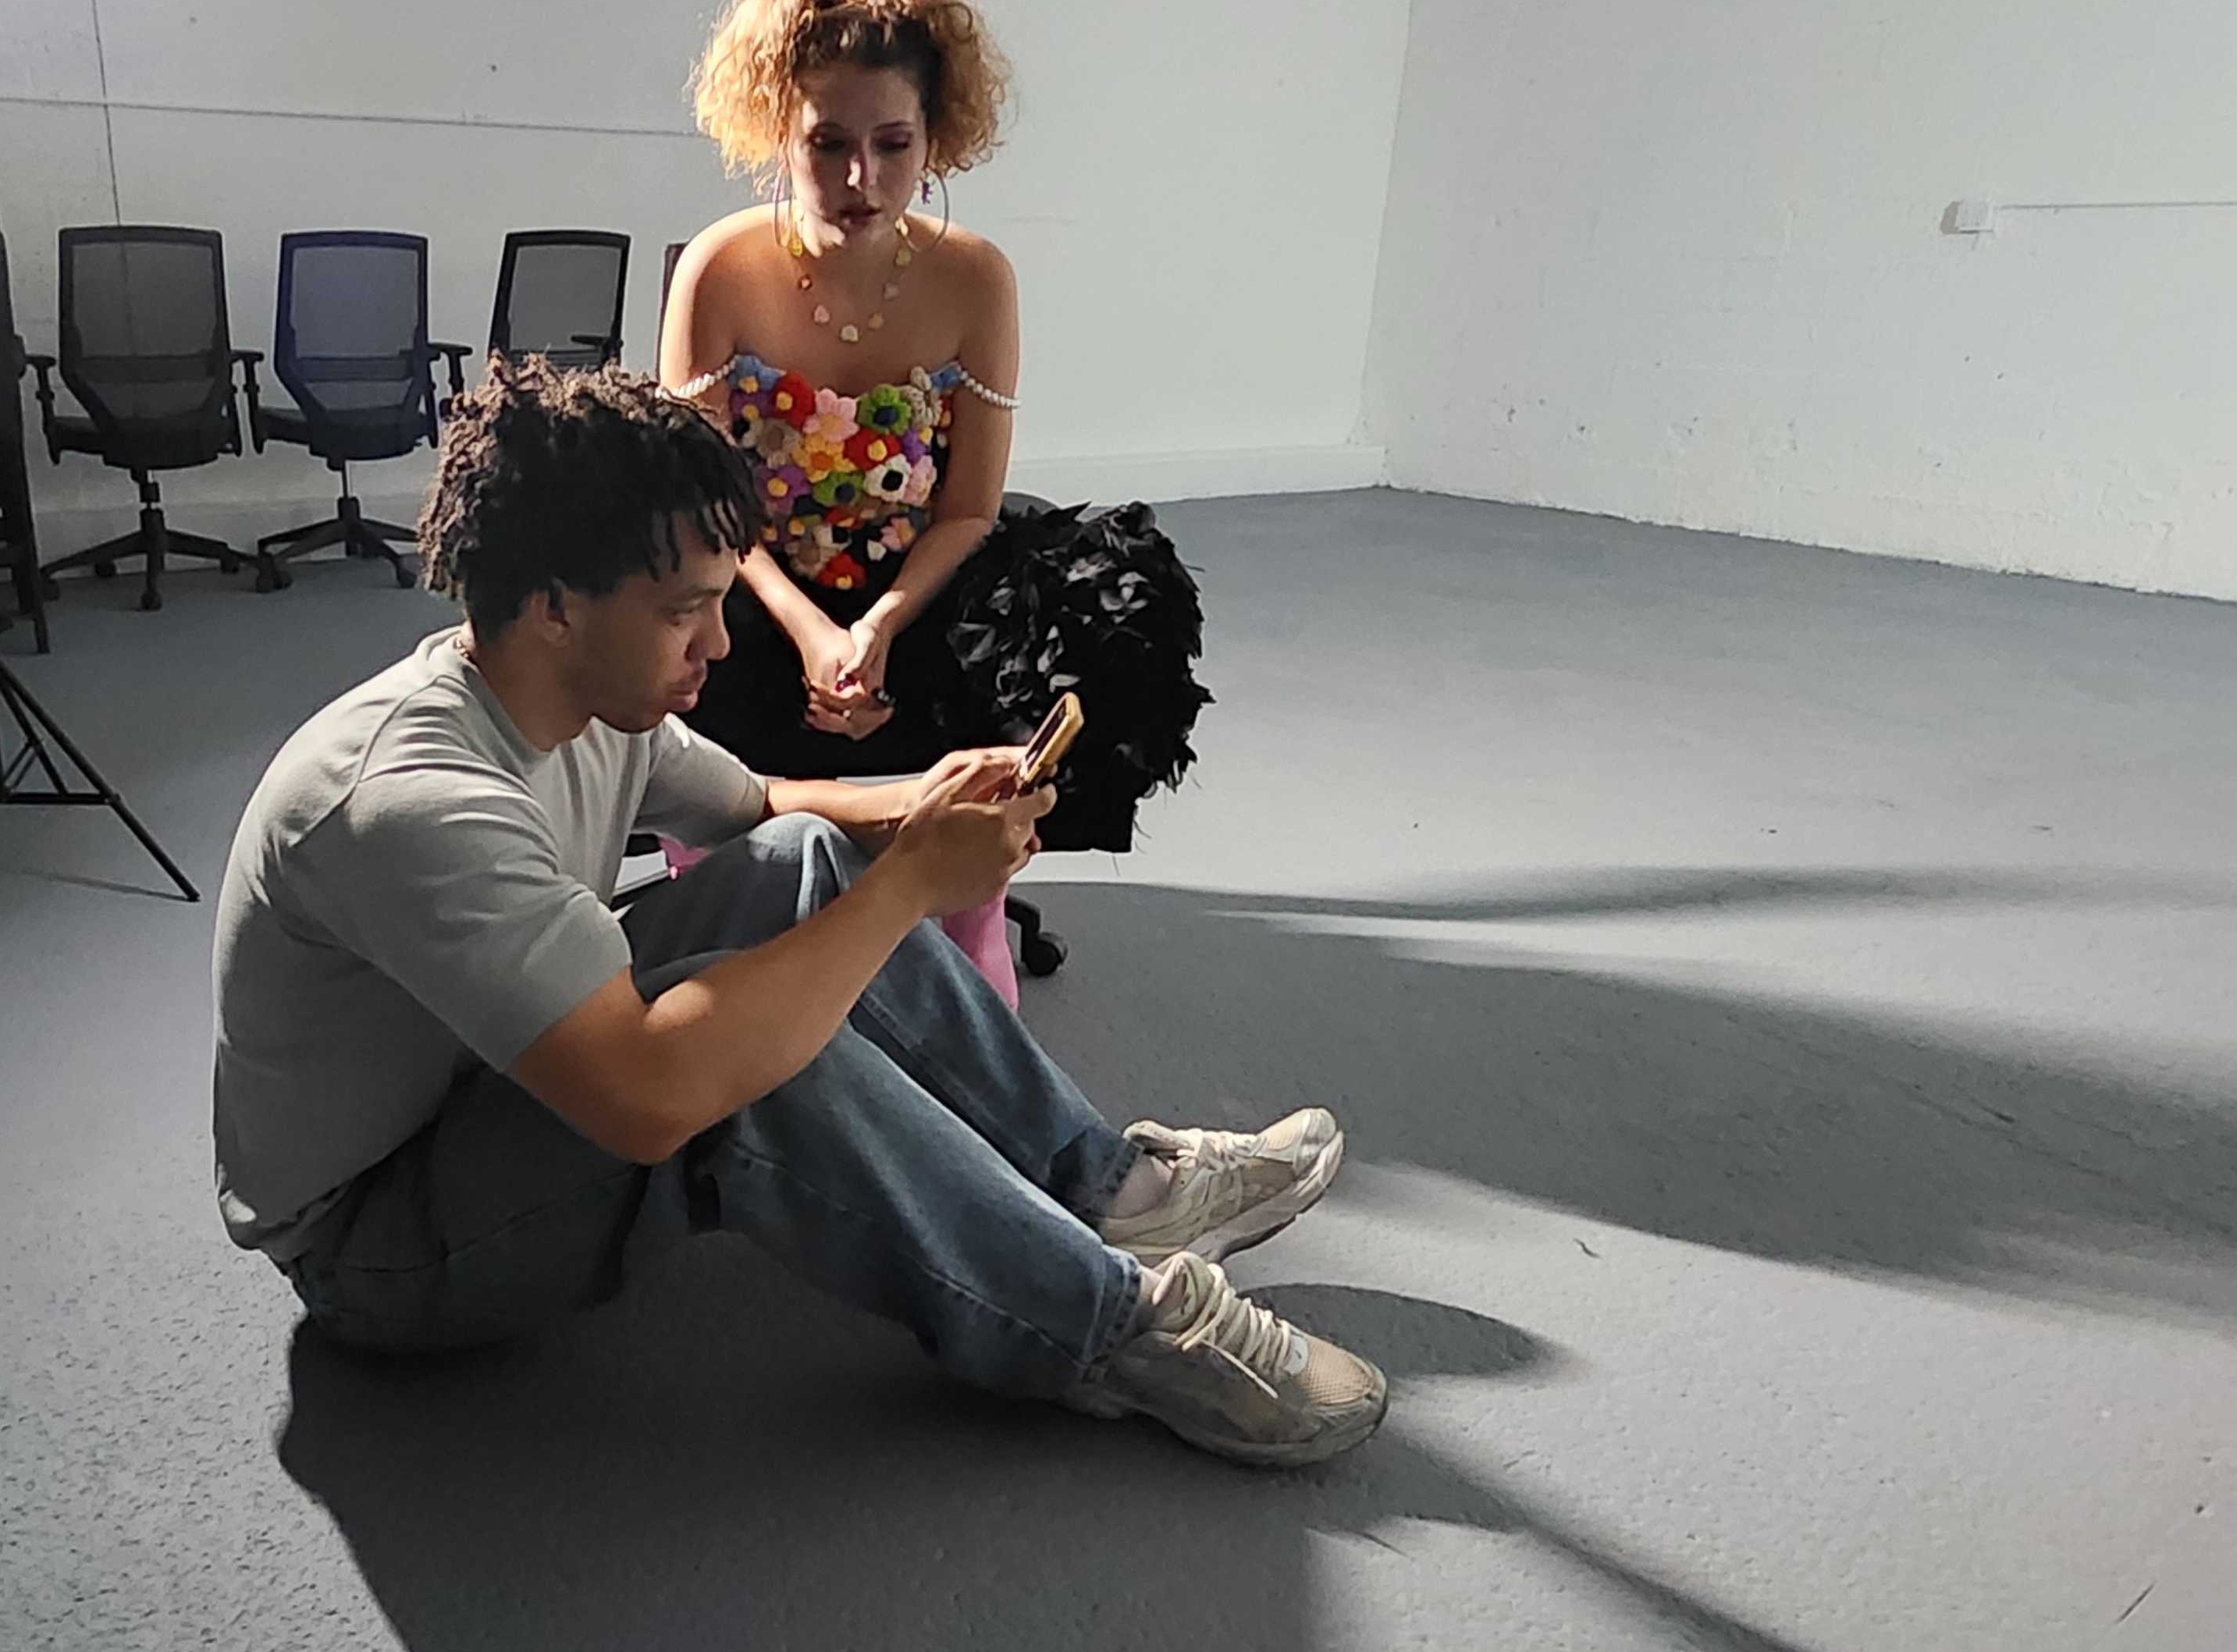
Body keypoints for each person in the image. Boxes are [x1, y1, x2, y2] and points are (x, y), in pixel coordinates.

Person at [212, 363, 1387, 1468]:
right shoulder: (416, 806)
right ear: (556, 606)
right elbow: (652, 1096)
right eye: (689, 613)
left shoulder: (574, 695)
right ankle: (1111, 1329)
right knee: (753, 1066)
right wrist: (915, 883)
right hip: (376, 1236)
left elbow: (766, 804)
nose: (720, 647)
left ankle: (1104, 1190)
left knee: (803, 860)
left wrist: (921, 802)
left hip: (479, 1073)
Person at [663, 0, 1211, 988]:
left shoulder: (975, 279)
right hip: (752, 582)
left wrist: (873, 629)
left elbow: (968, 508)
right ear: (778, 133)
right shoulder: (720, 270)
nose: (859, 179)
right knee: (683, 660)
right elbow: (697, 506)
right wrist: (814, 628)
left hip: (919, 588)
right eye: (827, 145)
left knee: (1073, 631)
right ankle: (732, 944)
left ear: (935, 138)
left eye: (892, 145)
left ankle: (966, 928)